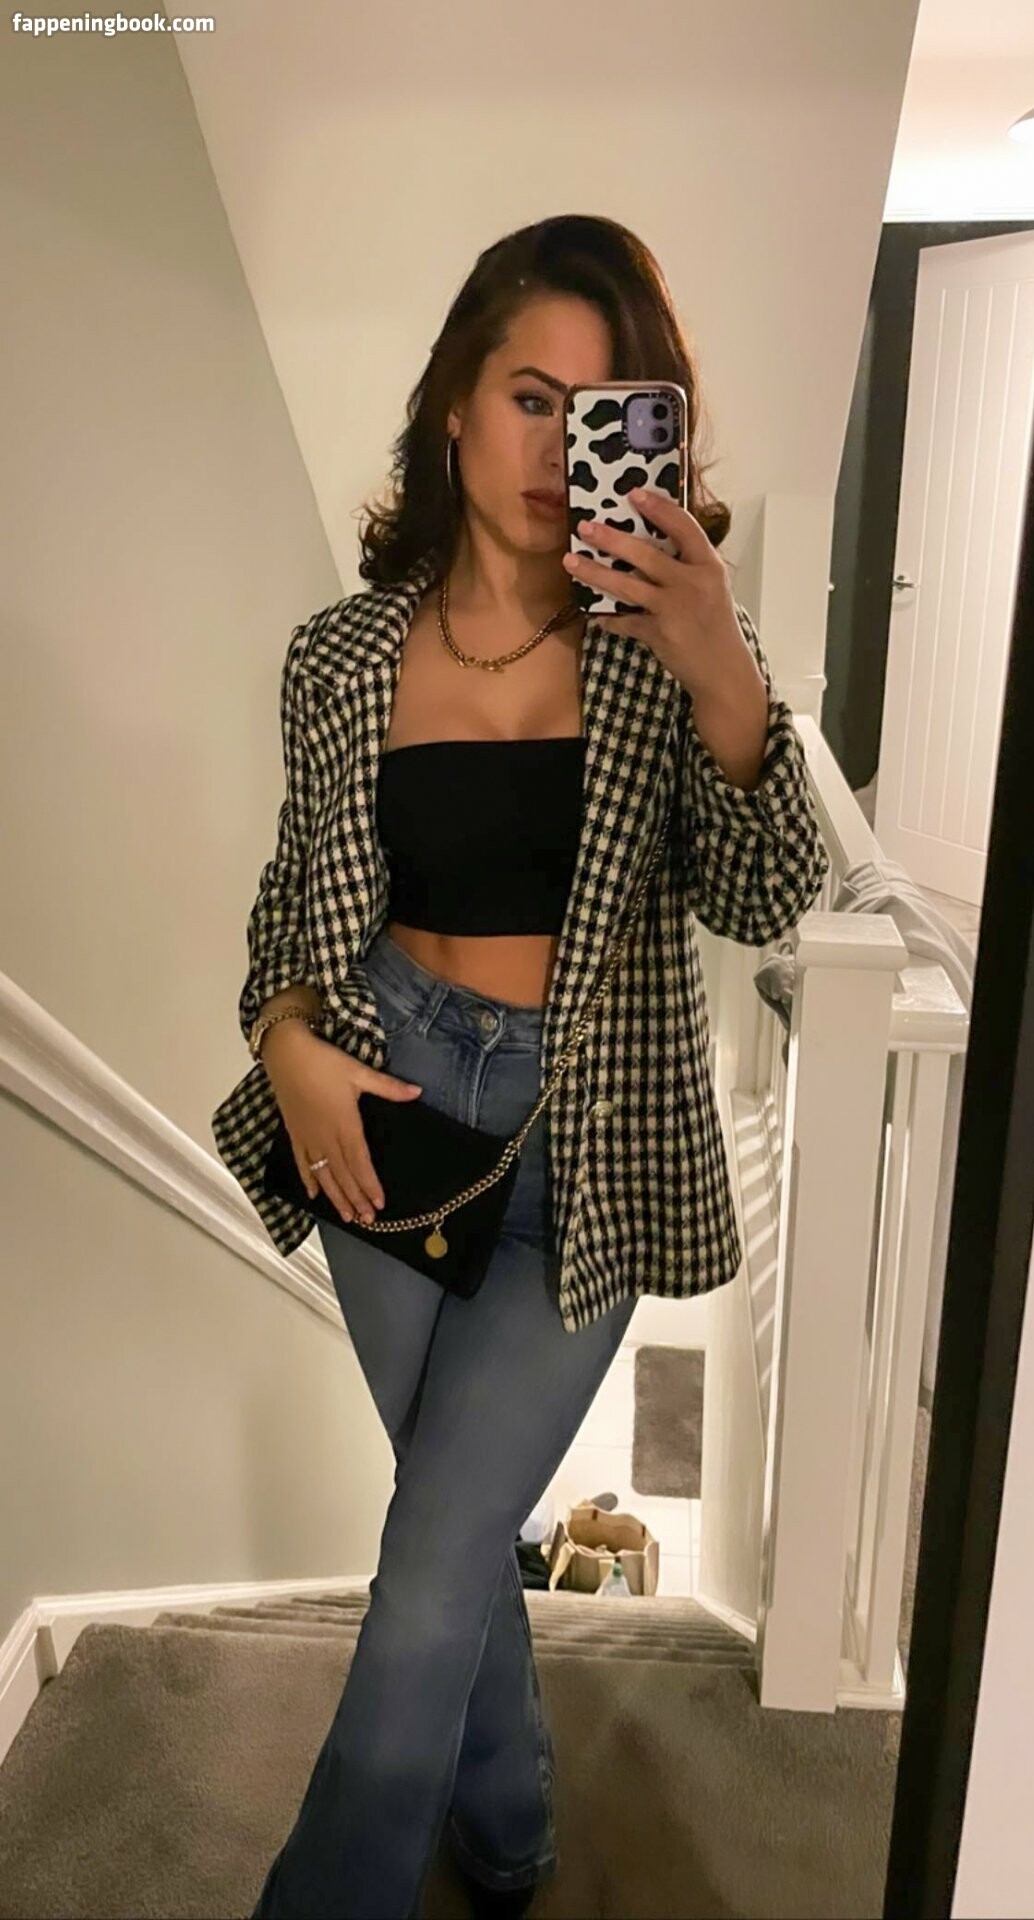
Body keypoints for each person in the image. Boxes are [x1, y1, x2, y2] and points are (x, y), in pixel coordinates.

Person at [210, 212, 829, 1920]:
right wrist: (287, 1043)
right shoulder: (341, 658)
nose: (561, 449)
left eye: (600, 411)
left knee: (423, 1575)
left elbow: (767, 894)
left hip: (588, 1139)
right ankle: (510, 1825)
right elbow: (292, 903)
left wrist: (726, 676)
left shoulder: (663, 649)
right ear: (457, 406)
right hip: (382, 1114)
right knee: (452, 1524)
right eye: (530, 398)